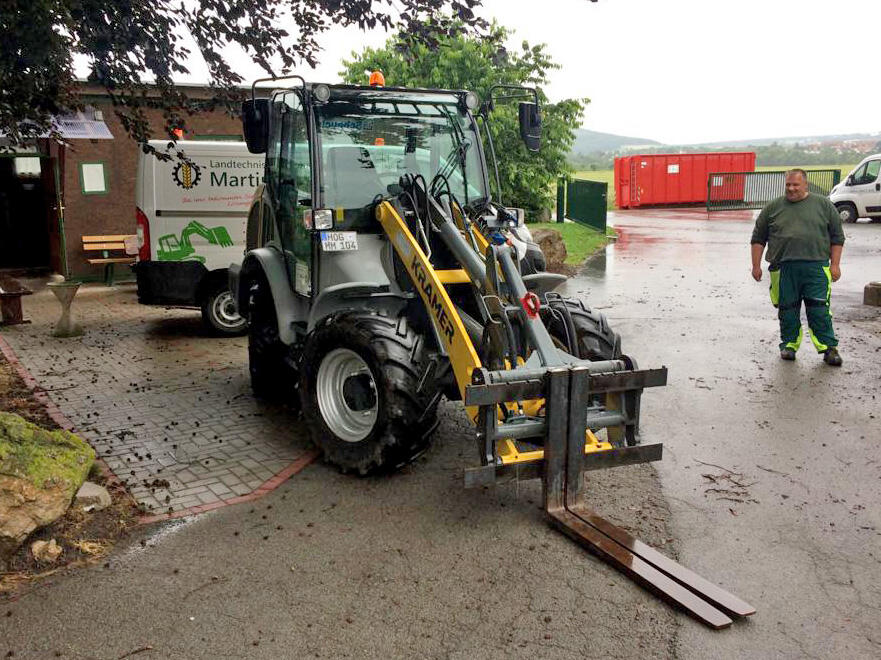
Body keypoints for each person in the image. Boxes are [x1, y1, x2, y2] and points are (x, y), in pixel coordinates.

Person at [750, 168, 845, 366]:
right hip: (783, 269)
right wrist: (756, 266)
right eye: (788, 185)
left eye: (796, 185)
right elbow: (758, 238)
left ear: (805, 185)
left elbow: (837, 237)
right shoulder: (773, 207)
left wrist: (835, 265)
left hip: (816, 268)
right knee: (787, 309)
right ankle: (789, 345)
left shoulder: (823, 205)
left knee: (819, 309)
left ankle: (828, 348)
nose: (791, 189)